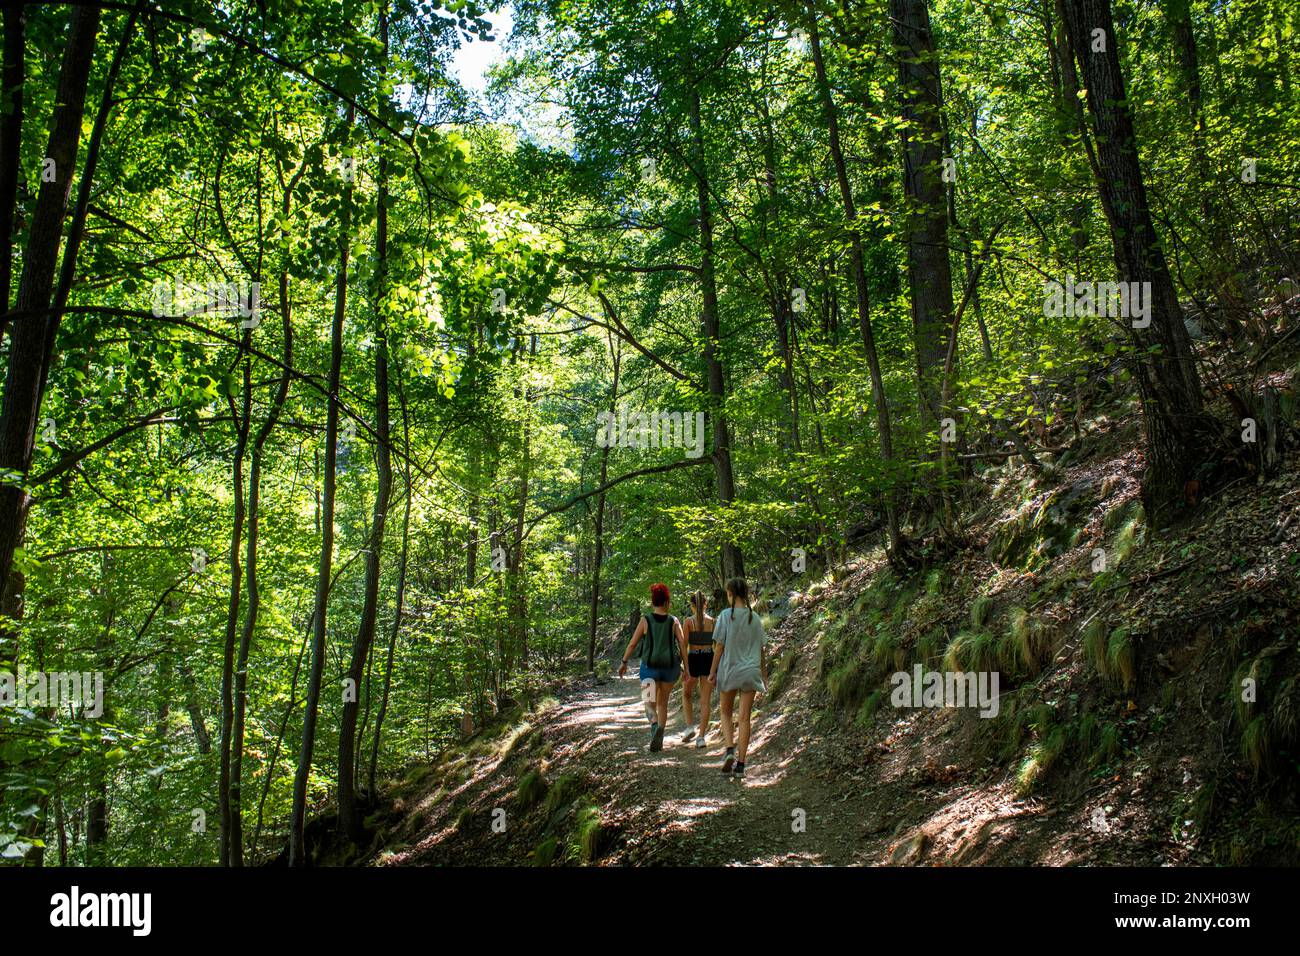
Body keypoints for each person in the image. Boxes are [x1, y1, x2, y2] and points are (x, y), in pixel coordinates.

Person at [708, 576, 768, 779]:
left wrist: (712, 672)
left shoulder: (725, 616)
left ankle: (729, 749)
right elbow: (761, 652)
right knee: (744, 719)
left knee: (725, 712)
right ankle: (741, 765)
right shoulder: (756, 618)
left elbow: (719, 648)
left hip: (729, 670)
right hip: (751, 672)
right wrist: (765, 677)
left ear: (731, 594)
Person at [619, 583, 687, 752]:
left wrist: (624, 662)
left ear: (653, 602)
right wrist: (687, 667)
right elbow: (683, 645)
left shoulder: (645, 620)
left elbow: (633, 643)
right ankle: (661, 735)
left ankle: (654, 725)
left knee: (649, 703)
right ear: (667, 603)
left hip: (649, 669)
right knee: (663, 702)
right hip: (670, 670)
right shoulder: (674, 621)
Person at [678, 591, 714, 748]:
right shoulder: (713, 621)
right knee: (705, 700)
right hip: (708, 658)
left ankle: (690, 727)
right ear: (706, 604)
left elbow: (683, 645)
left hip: (693, 659)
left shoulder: (688, 622)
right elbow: (717, 645)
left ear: (692, 606)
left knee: (686, 694)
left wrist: (684, 667)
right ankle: (701, 737)